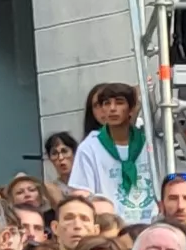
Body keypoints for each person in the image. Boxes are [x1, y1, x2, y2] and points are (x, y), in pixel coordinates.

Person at [64, 82, 166, 228]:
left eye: (119, 103)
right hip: (111, 230)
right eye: (106, 104)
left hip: (153, 226)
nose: (112, 109)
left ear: (131, 109)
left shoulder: (151, 141)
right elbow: (81, 195)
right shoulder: (90, 147)